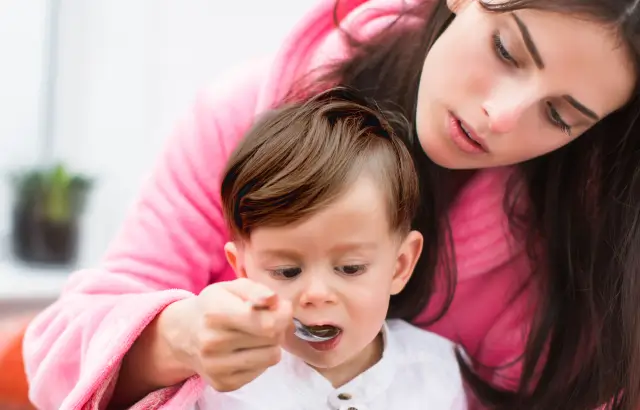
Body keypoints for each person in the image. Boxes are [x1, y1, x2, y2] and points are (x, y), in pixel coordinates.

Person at [21, 0, 640, 409]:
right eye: (506, 50)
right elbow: (56, 356)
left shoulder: (570, 250)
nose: (501, 117)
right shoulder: (239, 116)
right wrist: (179, 339)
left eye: (559, 114)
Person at [192, 86, 466, 409]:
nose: (317, 294)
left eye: (350, 268)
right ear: (242, 271)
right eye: (287, 271)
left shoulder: (439, 374)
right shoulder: (222, 386)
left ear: (400, 264)